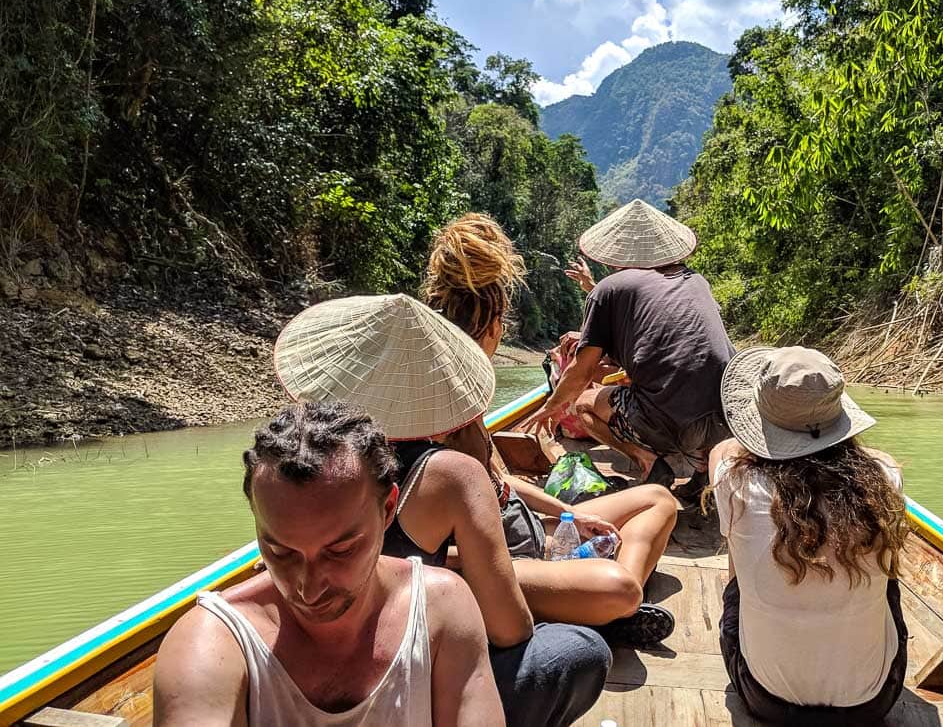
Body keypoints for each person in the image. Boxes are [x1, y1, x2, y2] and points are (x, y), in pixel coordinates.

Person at [272, 292, 613, 727]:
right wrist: (479, 472)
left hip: (311, 677)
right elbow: (510, 630)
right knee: (580, 648)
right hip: (395, 684)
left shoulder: (284, 461)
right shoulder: (446, 473)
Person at [153, 401, 502, 726]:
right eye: (280, 552)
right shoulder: (212, 640)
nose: (308, 586)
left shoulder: (441, 608)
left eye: (340, 551)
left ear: (387, 510)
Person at [421, 213, 678, 642]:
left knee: (657, 499)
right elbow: (416, 551)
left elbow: (501, 485)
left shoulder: (463, 395)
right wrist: (495, 567)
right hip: (498, 563)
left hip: (527, 534)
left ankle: (590, 600)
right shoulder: (424, 417)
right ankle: (600, 606)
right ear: (493, 326)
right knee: (621, 588)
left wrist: (569, 514)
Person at [709, 346, 909, 724]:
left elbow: (723, 450)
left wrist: (771, 432)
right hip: (870, 705)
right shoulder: (885, 476)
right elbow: (877, 457)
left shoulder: (732, 480)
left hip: (765, 697)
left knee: (738, 575)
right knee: (889, 578)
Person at [526, 199, 735, 500]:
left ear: (615, 254)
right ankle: (703, 472)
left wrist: (552, 406)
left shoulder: (608, 289)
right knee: (695, 385)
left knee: (582, 404)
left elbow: (581, 371)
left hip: (670, 426)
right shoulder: (696, 281)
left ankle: (649, 462)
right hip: (723, 422)